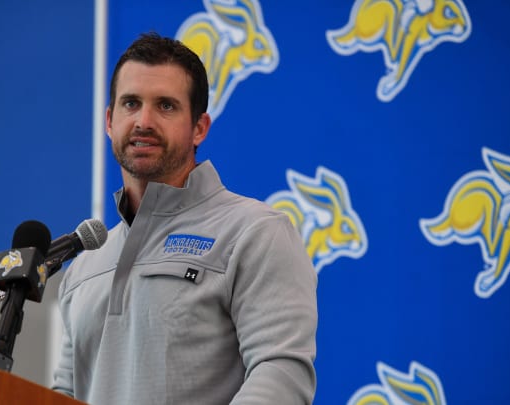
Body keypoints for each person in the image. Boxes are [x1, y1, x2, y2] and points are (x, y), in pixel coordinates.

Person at [52, 32, 317, 404]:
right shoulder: (83, 267)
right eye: (131, 103)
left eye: (165, 106)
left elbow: (281, 374)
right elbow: (65, 393)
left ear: (199, 128)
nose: (143, 121)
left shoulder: (254, 232)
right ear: (110, 121)